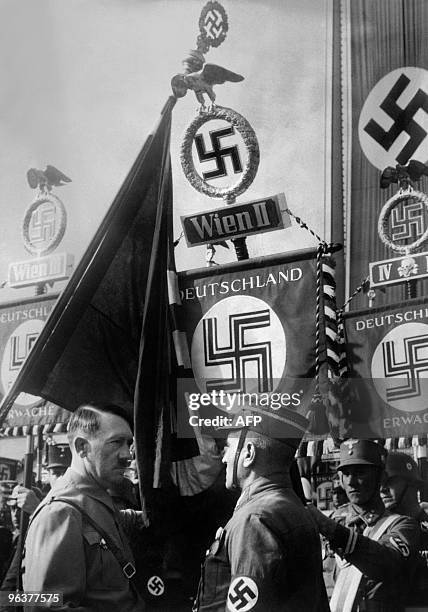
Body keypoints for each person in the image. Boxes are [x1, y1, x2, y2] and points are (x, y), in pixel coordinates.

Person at [193, 405, 329, 611]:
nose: (224, 458)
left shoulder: (254, 519)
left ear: (248, 453)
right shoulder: (290, 507)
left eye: (228, 448)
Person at [21, 403, 145, 611]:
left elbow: (113, 521)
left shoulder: (93, 496)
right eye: (116, 442)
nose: (127, 455)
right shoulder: (60, 512)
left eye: (128, 443)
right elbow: (44, 607)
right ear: (82, 447)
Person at [307, 439, 421, 612]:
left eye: (360, 473)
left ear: (381, 477)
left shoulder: (401, 525)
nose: (351, 481)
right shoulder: (330, 520)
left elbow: (386, 563)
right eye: (346, 474)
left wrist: (333, 532)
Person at [380, 451, 428, 608]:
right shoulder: (378, 529)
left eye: (389, 481)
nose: (382, 489)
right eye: (379, 482)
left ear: (412, 483)